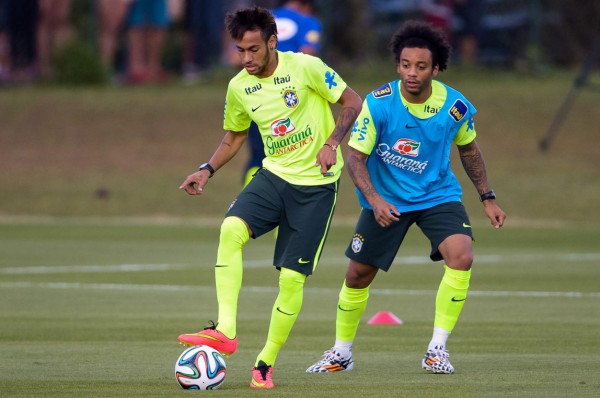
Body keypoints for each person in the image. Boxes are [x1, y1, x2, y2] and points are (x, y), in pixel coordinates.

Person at [306, 20, 506, 375]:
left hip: (437, 195)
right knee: (356, 276)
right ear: (397, 65)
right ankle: (341, 353)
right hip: (386, 200)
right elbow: (355, 158)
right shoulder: (380, 103)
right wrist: (375, 199)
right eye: (405, 65)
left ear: (436, 68)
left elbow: (469, 150)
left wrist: (487, 197)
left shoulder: (455, 107)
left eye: (421, 66)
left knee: (461, 256)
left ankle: (437, 349)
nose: (411, 73)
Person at [177, 5, 362, 389]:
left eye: (253, 50)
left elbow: (353, 103)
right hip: (273, 176)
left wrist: (331, 144)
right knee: (230, 229)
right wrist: (206, 170)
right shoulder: (238, 87)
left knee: (292, 279)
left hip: (316, 188)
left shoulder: (305, 67)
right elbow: (235, 136)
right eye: (240, 51)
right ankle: (225, 330)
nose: (246, 59)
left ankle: (265, 363)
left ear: (272, 43)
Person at [243, 0, 322, 185]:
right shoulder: (308, 21)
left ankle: (249, 199)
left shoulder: (260, 21)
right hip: (290, 97)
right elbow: (308, 53)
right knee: (293, 152)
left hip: (256, 94)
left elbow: (234, 59)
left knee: (258, 154)